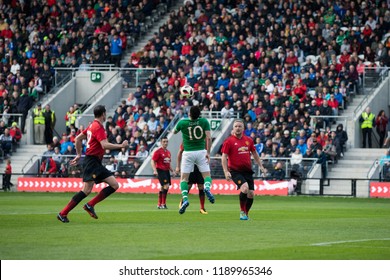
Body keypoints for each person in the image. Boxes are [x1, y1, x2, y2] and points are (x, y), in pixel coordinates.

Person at [57, 105, 128, 223]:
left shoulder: (91, 126)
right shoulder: (98, 127)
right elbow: (104, 145)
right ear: (103, 114)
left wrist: (79, 154)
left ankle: (87, 205)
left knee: (113, 185)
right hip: (92, 161)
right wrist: (121, 146)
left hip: (93, 161)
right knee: (87, 190)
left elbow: (77, 139)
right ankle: (64, 212)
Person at [221, 119, 267, 221]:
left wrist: (261, 166)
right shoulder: (228, 141)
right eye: (236, 126)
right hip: (235, 171)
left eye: (239, 126)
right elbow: (224, 157)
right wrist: (226, 171)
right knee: (245, 188)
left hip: (247, 171)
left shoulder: (249, 140)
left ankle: (246, 213)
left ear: (243, 128)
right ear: (233, 128)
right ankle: (242, 211)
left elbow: (255, 154)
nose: (237, 128)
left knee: (251, 194)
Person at [173, 106, 214, 214]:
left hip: (188, 152)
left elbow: (174, 132)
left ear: (189, 114)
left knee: (184, 180)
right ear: (199, 114)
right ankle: (207, 188)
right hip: (201, 151)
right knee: (207, 176)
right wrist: (208, 152)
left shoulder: (183, 122)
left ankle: (185, 199)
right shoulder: (204, 121)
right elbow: (209, 138)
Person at [176, 143, 208, 214]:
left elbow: (206, 152)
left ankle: (202, 208)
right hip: (190, 166)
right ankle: (183, 201)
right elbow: (180, 152)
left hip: (200, 166)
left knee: (201, 186)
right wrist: (178, 166)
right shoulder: (187, 140)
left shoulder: (202, 140)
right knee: (188, 185)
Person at [151, 137, 173, 209]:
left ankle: (159, 204)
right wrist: (154, 170)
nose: (165, 143)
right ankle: (163, 204)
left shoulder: (168, 152)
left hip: (166, 171)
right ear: (161, 142)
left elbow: (168, 163)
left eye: (166, 141)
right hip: (160, 170)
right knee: (166, 186)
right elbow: (153, 161)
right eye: (164, 141)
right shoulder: (158, 151)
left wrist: (173, 171)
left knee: (162, 187)